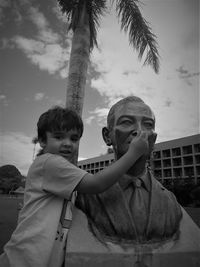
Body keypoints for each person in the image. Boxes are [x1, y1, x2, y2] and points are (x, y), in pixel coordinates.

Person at [0, 106, 149, 267]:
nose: (67, 144)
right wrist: (133, 153)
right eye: (58, 137)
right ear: (42, 141)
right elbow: (96, 184)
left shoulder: (61, 169)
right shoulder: (50, 162)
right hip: (24, 259)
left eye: (74, 138)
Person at [66, 96, 200, 264]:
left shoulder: (170, 201)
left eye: (148, 125)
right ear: (108, 136)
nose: (139, 130)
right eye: (127, 122)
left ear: (154, 138)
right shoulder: (86, 197)